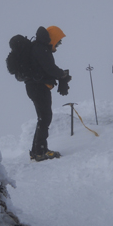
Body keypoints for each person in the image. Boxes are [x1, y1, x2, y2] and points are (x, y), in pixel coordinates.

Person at [25, 26, 71, 162]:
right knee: (45, 118)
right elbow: (49, 68)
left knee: (43, 118)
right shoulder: (42, 49)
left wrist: (61, 75)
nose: (59, 44)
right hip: (38, 87)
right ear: (53, 38)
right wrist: (62, 75)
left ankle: (36, 150)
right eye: (59, 41)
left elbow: (46, 68)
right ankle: (40, 152)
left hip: (35, 87)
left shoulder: (40, 47)